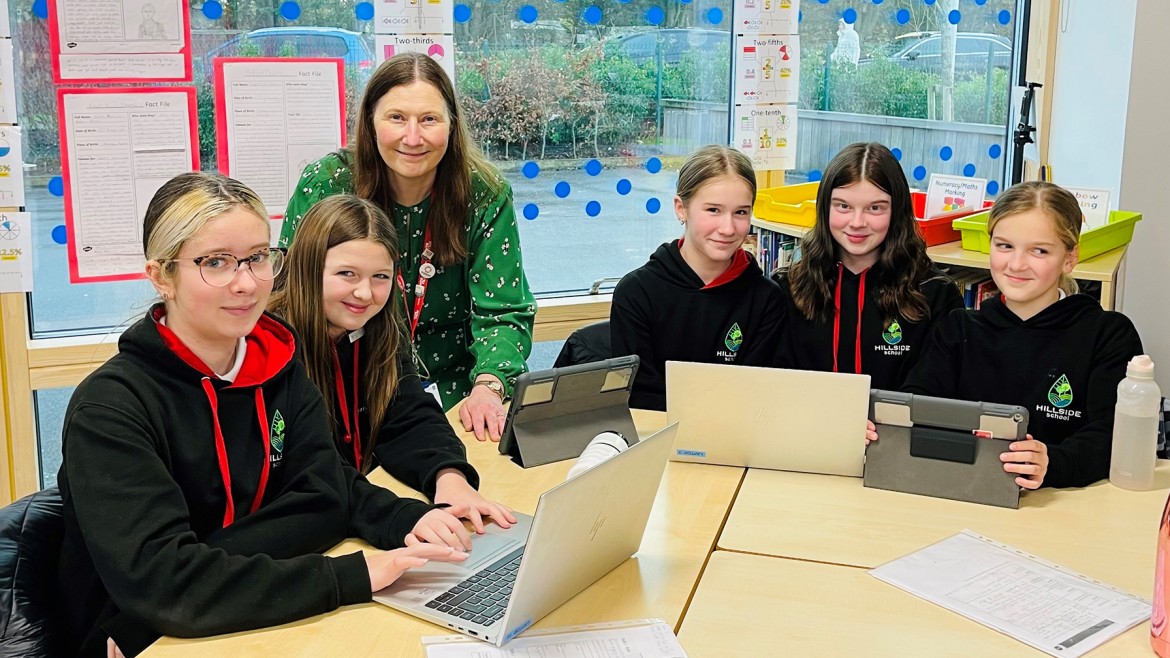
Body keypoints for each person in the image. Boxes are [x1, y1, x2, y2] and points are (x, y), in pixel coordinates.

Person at [57, 173, 472, 658]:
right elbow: (164, 584)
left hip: (248, 611)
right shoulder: (110, 408)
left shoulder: (276, 363)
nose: (247, 283)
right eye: (215, 262)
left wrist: (405, 519)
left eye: (257, 258)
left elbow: (328, 492)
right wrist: (348, 573)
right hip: (141, 638)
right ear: (161, 275)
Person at [282, 53, 535, 442]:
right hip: (346, 388)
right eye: (396, 117)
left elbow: (504, 309)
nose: (413, 138)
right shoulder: (327, 182)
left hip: (456, 394)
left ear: (452, 125)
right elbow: (289, 296)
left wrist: (489, 386)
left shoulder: (484, 193)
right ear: (370, 121)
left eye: (429, 119)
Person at [270, 194, 516, 533]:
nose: (365, 294)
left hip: (358, 512)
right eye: (347, 274)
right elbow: (314, 471)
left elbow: (409, 415)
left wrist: (450, 478)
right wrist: (404, 518)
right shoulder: (273, 348)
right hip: (308, 531)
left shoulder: (377, 329)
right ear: (307, 269)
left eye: (380, 277)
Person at [896, 181, 1144, 489]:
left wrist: (1052, 462)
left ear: (1069, 257)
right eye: (1004, 246)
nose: (1016, 264)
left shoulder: (1107, 335)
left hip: (1063, 505)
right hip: (964, 492)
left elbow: (1113, 435)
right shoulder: (957, 329)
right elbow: (913, 407)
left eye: (1039, 250)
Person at [774, 142, 962, 390]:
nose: (857, 222)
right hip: (808, 428)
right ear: (824, 207)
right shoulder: (787, 288)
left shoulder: (935, 294)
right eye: (843, 206)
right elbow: (773, 389)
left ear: (898, 211)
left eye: (875, 208)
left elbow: (935, 394)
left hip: (897, 429)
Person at [610, 145, 784, 411]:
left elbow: (759, 396)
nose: (727, 228)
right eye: (713, 210)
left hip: (736, 442)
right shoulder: (636, 292)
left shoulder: (768, 299)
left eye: (740, 212)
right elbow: (639, 397)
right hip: (657, 439)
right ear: (681, 208)